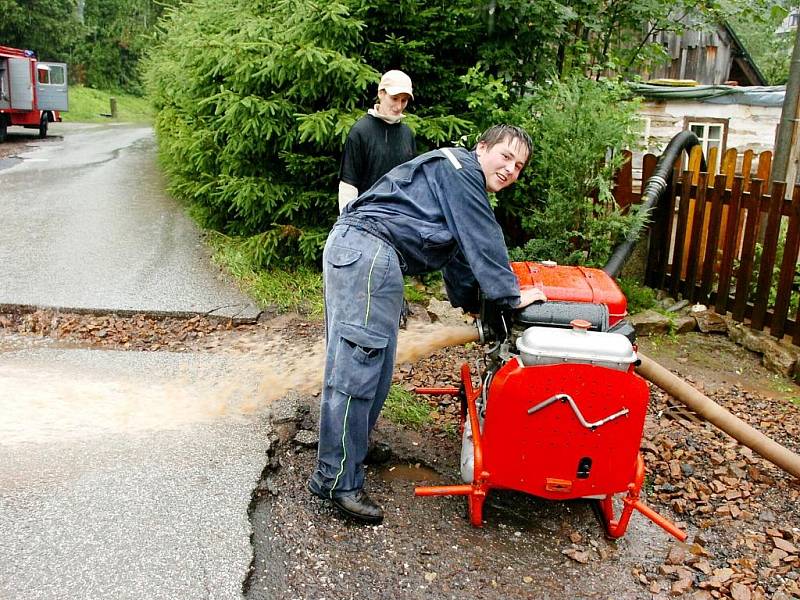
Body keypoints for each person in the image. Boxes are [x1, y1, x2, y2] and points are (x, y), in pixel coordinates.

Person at [308, 125, 546, 524]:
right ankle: (335, 480)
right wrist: (510, 297)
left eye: (519, 166)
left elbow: (460, 259)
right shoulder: (461, 170)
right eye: (505, 156)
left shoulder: (454, 183)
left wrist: (474, 306)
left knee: (376, 367)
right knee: (357, 370)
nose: (510, 169)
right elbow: (484, 237)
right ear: (481, 148)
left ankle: (352, 450)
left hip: (370, 257)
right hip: (368, 252)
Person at [337, 70, 416, 213]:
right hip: (366, 220)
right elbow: (348, 185)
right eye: (394, 98)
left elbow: (412, 184)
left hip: (401, 220)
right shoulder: (361, 131)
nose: (399, 106)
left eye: (403, 100)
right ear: (381, 93)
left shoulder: (407, 134)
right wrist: (346, 222)